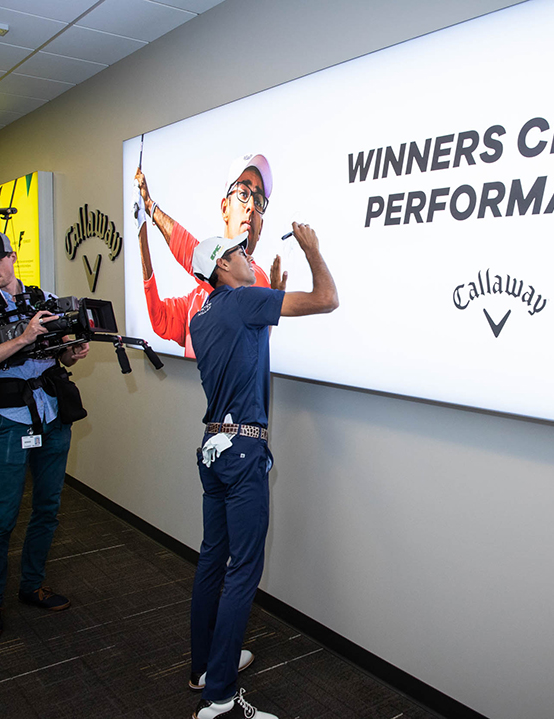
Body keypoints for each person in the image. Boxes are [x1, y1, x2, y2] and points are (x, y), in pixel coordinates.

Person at [188, 222, 338, 719]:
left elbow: (246, 348)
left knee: (213, 559)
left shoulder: (204, 315)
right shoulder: (244, 301)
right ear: (222, 265)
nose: (247, 255)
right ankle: (219, 697)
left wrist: (268, 295)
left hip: (213, 449)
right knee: (244, 570)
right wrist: (313, 250)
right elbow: (326, 299)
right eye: (239, 252)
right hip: (243, 453)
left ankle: (204, 668)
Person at [0, 230, 90, 640]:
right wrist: (24, 337)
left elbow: (59, 355)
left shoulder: (42, 299)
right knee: (2, 516)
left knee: (47, 508)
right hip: (11, 421)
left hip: (52, 416)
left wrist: (71, 352)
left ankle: (32, 585)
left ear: (12, 257)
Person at [134, 154, 274, 358]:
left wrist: (150, 206)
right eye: (243, 193)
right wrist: (141, 231)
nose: (251, 206)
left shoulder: (257, 281)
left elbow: (197, 257)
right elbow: (160, 319)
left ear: (260, 229)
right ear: (225, 209)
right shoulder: (197, 298)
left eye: (259, 200)